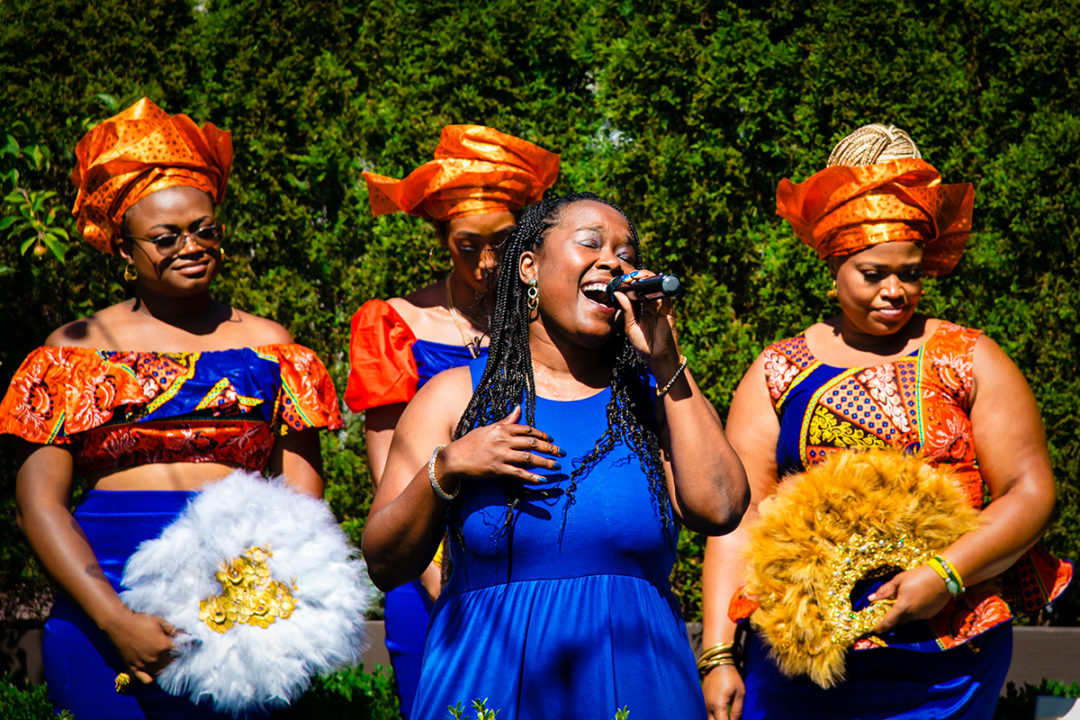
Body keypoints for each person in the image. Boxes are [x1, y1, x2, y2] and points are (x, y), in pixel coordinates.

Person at [700, 124, 1072, 720]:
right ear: (835, 264)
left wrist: (945, 575)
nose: (896, 291)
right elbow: (739, 518)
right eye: (874, 274)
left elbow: (1030, 490)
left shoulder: (967, 358)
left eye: (912, 272)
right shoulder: (778, 370)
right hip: (805, 659)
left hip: (949, 656)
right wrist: (718, 654)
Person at [0, 98, 343, 719]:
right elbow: (38, 505)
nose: (191, 246)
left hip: (242, 603)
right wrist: (114, 618)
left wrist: (265, 607)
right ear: (123, 252)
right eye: (165, 237)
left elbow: (302, 505)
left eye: (204, 229)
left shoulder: (273, 348)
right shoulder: (69, 354)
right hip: (101, 587)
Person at [362, 192, 749, 719]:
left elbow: (721, 508)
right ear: (529, 267)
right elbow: (384, 562)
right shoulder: (454, 398)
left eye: (627, 254)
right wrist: (448, 466)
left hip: (642, 687)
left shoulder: (649, 399)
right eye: (591, 243)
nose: (614, 262)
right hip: (489, 686)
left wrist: (665, 361)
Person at [345, 124, 558, 716]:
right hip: (432, 573)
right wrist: (447, 583)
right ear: (442, 237)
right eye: (469, 245)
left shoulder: (557, 326)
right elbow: (391, 471)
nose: (489, 262)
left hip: (545, 569)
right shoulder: (395, 325)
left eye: (505, 242)